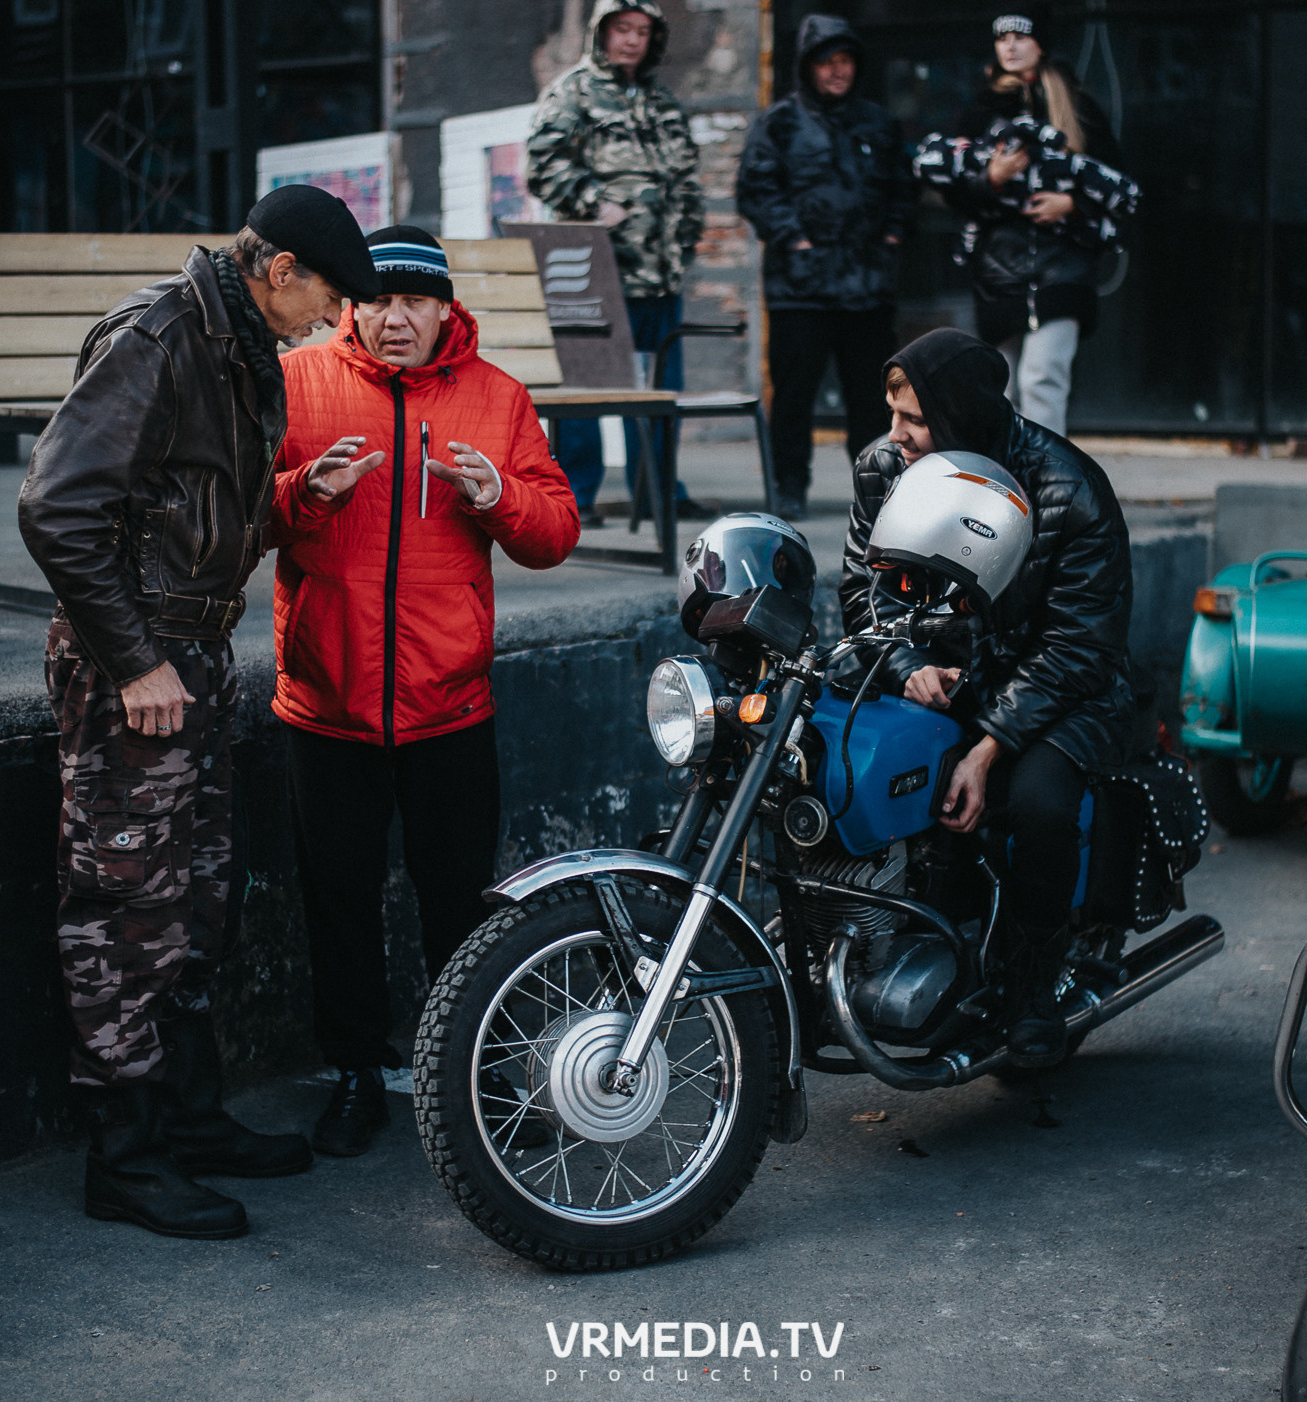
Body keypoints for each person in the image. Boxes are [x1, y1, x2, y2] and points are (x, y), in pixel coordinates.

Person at [18, 185, 379, 1239]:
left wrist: (305, 495)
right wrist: (133, 662)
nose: (331, 319)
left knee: (198, 896)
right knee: (124, 906)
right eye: (326, 297)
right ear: (278, 270)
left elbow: (202, 510)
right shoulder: (160, 335)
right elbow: (57, 506)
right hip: (139, 661)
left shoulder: (238, 341)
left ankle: (187, 1115)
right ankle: (123, 1160)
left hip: (197, 650)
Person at [269, 226, 580, 1158]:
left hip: (450, 700)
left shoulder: (499, 398)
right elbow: (245, 508)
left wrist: (498, 499)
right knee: (340, 897)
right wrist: (305, 495)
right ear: (349, 302)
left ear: (447, 307)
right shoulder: (296, 383)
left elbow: (555, 531)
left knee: (460, 903)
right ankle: (358, 1071)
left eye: (413, 301)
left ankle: (476, 1071)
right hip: (327, 697)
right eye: (375, 299)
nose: (393, 318)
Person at [840, 327, 1136, 1067]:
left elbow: (1080, 642)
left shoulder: (1067, 486)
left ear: (960, 415)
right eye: (892, 414)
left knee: (1035, 803)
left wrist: (988, 745)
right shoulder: (884, 469)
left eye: (913, 419)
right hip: (945, 676)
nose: (895, 435)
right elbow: (860, 589)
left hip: (1061, 689)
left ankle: (1034, 985)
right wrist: (909, 663)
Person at [527, 0, 703, 525]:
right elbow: (542, 163)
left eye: (643, 31)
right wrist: (590, 200)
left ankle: (657, 492)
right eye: (622, 29)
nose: (632, 40)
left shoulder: (662, 100)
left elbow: (687, 173)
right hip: (597, 272)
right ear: (601, 33)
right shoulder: (571, 91)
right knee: (585, 392)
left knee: (659, 390)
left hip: (660, 271)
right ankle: (574, 496)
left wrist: (688, 234)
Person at [735, 14, 912, 522]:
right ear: (807, 68)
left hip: (867, 284)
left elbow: (903, 187)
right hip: (801, 288)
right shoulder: (780, 122)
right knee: (794, 396)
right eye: (827, 62)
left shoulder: (878, 122)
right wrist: (797, 239)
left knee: (874, 398)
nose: (838, 72)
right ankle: (789, 486)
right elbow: (757, 190)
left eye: (846, 61)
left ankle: (879, 489)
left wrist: (893, 234)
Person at [933, 11, 1128, 436]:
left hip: (1063, 270)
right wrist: (991, 180)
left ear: (1040, 45)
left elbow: (1118, 188)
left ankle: (1047, 485)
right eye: (1002, 38)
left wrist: (1071, 204)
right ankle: (1008, 489)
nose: (1010, 46)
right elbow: (953, 194)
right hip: (999, 272)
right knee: (1000, 389)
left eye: (1021, 36)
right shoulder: (979, 113)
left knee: (1043, 379)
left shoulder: (1077, 107)